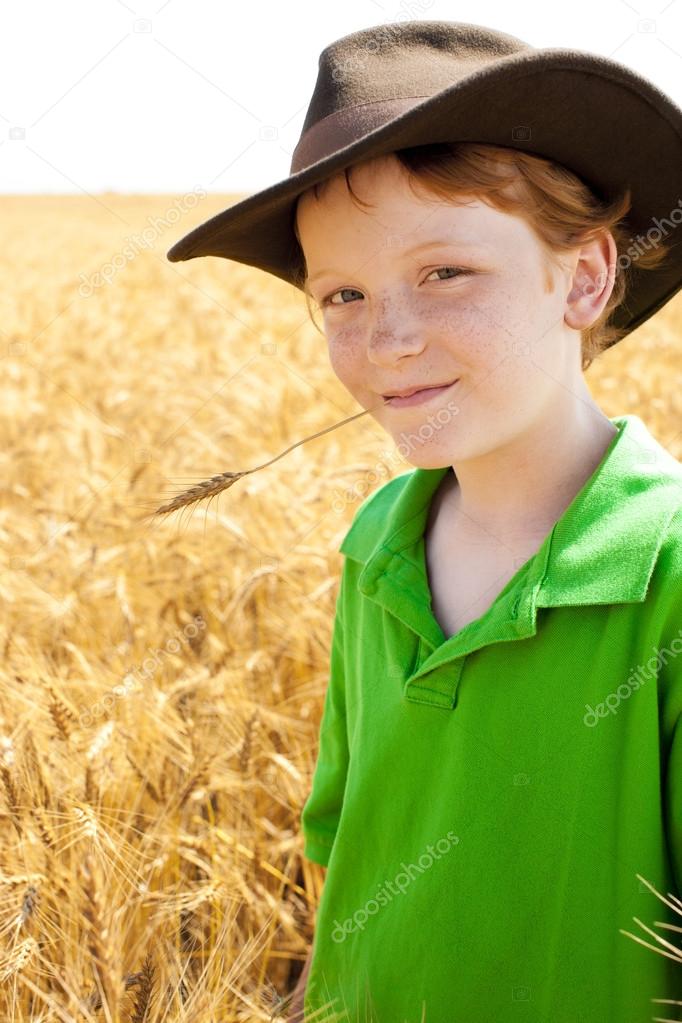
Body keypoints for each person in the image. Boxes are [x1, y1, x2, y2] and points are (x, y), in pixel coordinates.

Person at [166, 20, 682, 1022]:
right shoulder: (376, 546)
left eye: (445, 273)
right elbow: (348, 855)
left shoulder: (665, 574)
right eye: (342, 295)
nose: (389, 339)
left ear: (582, 277)